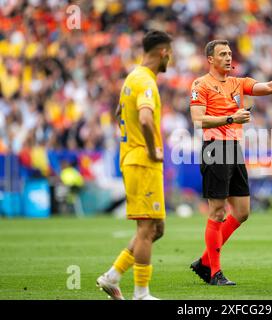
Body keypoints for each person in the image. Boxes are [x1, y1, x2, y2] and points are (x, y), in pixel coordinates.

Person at [189, 39, 272, 285]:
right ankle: (214, 273)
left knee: (242, 212)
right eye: (223, 54)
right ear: (210, 59)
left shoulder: (237, 82)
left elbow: (268, 87)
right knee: (218, 212)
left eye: (230, 53)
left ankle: (204, 261)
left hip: (233, 149)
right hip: (214, 149)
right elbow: (198, 119)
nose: (229, 57)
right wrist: (231, 118)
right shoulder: (200, 84)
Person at [96, 29, 172, 300]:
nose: (170, 60)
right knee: (146, 229)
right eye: (169, 54)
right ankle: (141, 294)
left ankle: (112, 276)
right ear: (163, 52)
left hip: (133, 157)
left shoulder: (132, 77)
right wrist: (152, 150)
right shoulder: (147, 82)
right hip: (142, 161)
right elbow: (145, 119)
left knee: (157, 228)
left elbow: (119, 114)